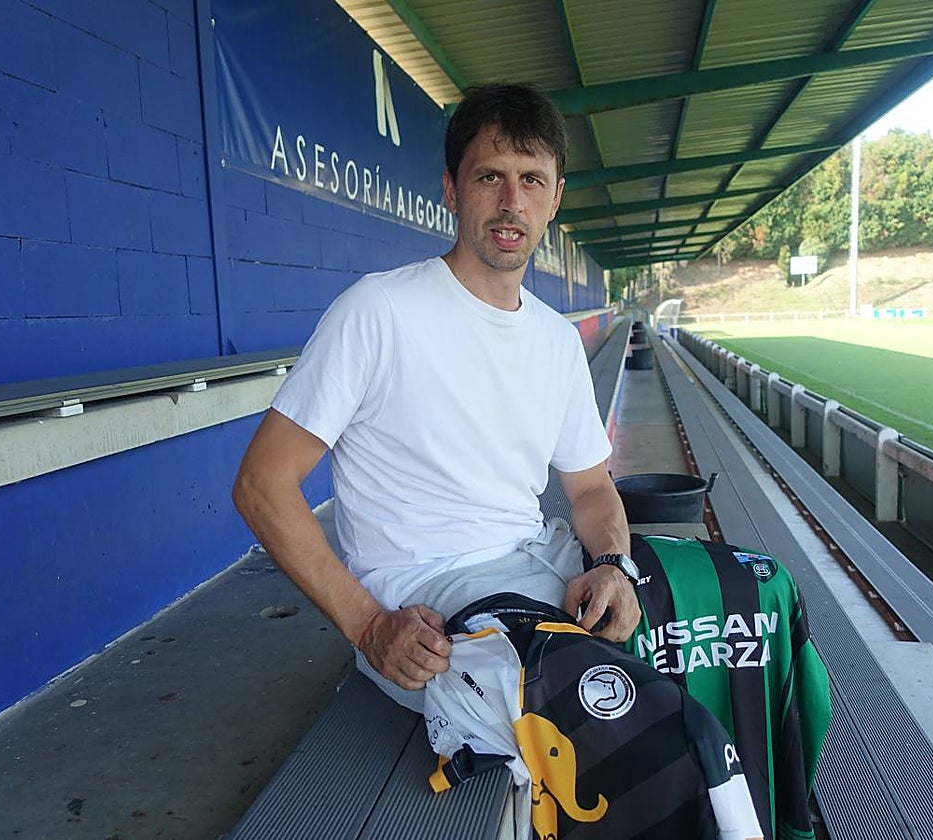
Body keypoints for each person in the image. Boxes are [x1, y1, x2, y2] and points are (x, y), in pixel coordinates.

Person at [232, 82, 639, 710]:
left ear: (555, 199)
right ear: (451, 188)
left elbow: (589, 489)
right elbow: (262, 483)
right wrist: (368, 626)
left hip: (542, 563)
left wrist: (614, 563)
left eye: (532, 181)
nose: (511, 203)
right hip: (432, 606)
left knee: (737, 610)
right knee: (608, 707)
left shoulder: (555, 339)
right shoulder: (380, 309)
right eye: (489, 178)